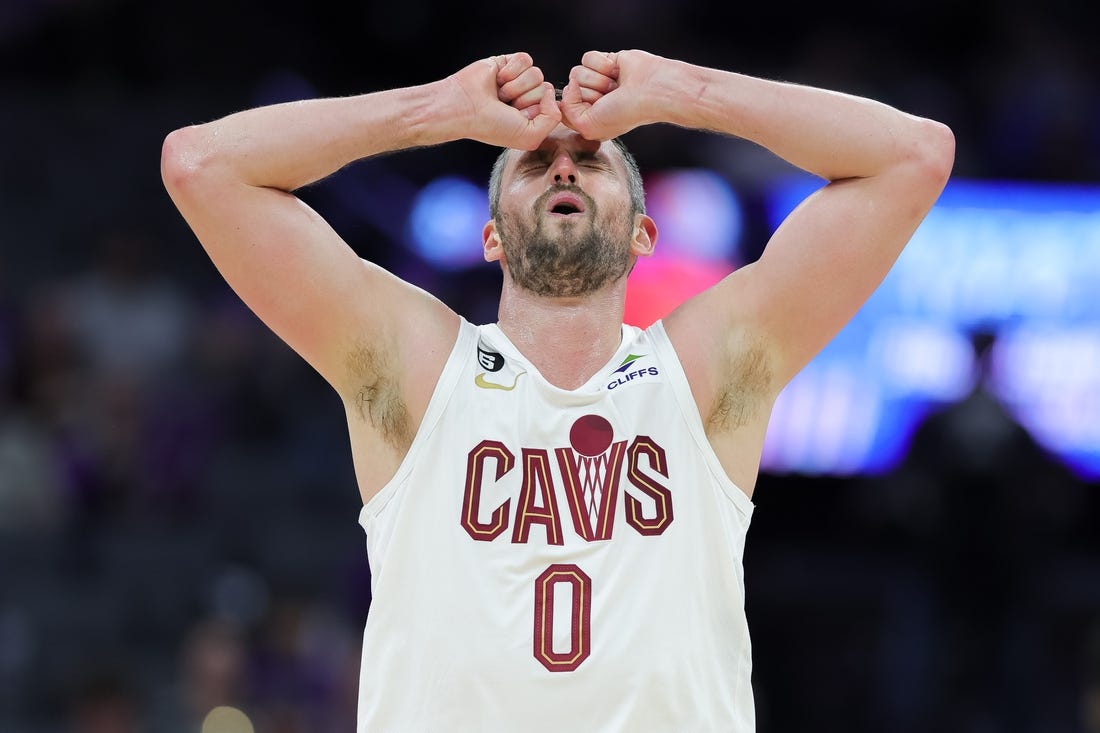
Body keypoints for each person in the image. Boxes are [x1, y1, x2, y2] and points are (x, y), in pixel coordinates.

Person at [161, 49, 954, 731]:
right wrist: (434, 109)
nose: (565, 163)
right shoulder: (415, 366)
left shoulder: (707, 372)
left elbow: (915, 156)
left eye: (595, 158)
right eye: (535, 162)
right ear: (492, 236)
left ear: (645, 231)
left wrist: (680, 93)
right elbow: (201, 165)